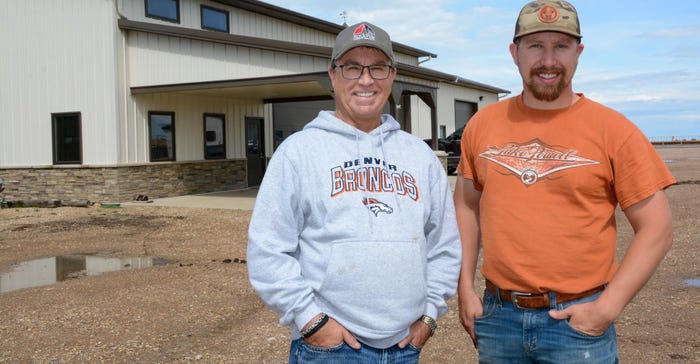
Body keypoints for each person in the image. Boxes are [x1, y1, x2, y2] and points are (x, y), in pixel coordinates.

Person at [454, 1, 676, 362]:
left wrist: (607, 308)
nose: (548, 60)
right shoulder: (483, 124)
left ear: (579, 53)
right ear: (515, 53)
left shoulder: (614, 130)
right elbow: (466, 204)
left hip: (577, 324)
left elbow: (658, 229)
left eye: (561, 46)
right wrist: (465, 287)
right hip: (499, 318)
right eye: (535, 46)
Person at [247, 21, 461, 363]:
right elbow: (268, 249)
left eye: (377, 68)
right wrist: (311, 320)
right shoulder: (299, 151)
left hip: (405, 346)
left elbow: (445, 245)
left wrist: (429, 317)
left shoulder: (420, 156)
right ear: (333, 75)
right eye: (352, 68)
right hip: (330, 348)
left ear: (392, 76)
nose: (366, 80)